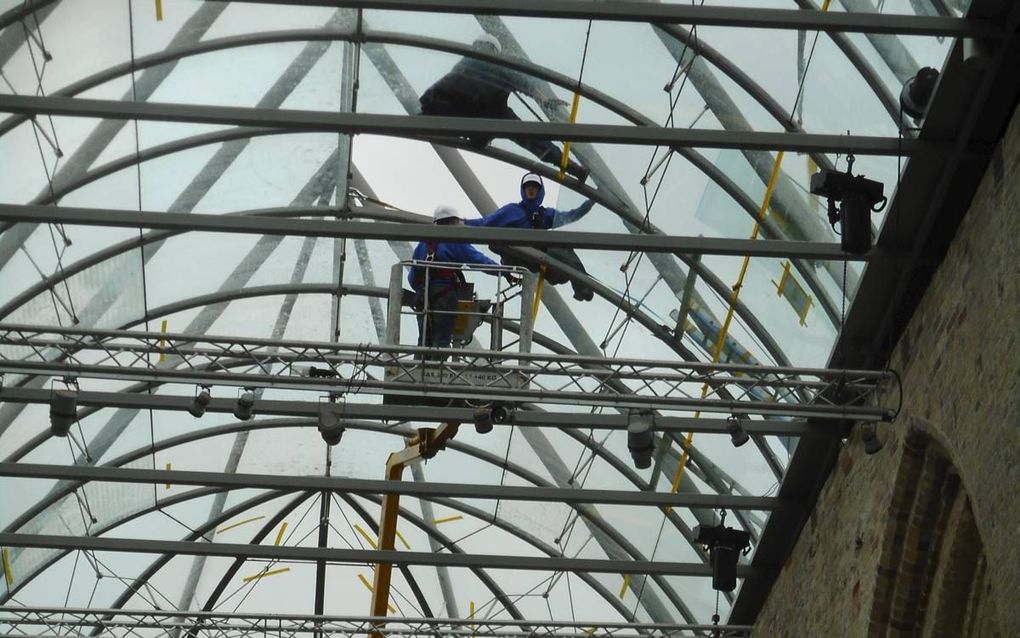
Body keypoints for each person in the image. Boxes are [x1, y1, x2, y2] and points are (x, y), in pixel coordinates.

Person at [419, 34, 590, 184]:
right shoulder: (497, 65)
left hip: (455, 115)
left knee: (520, 132)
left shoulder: (463, 65)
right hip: (489, 117)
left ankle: (476, 137)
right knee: (529, 137)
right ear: (495, 50)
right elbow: (525, 84)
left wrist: (417, 119)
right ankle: (572, 168)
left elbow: (436, 97)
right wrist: (546, 100)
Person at [466, 172, 597, 301]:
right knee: (557, 247)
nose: (531, 189)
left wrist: (591, 201)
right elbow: (485, 223)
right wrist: (462, 223)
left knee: (564, 248)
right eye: (528, 186)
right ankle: (581, 284)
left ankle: (581, 285)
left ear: (540, 191)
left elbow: (571, 216)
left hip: (537, 259)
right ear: (523, 190)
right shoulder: (511, 211)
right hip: (516, 255)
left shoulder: (544, 214)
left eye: (534, 186)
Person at [408, 205, 501, 355]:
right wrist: (502, 272)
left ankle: (419, 371)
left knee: (424, 340)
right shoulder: (454, 240)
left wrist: (422, 290)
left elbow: (412, 278)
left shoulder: (423, 245)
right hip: (444, 294)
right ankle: (437, 375)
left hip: (422, 295)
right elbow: (477, 260)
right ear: (452, 222)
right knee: (442, 340)